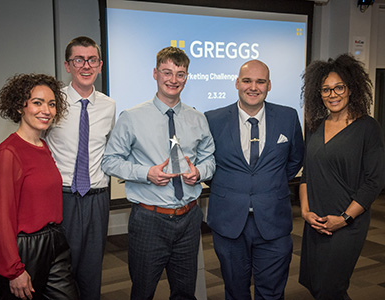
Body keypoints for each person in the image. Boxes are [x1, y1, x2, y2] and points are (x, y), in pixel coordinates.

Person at [101, 46, 215, 300]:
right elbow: (109, 161)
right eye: (167, 72)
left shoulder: (197, 118)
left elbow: (210, 159)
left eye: (180, 74)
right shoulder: (131, 117)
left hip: (189, 217)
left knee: (185, 292)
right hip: (149, 220)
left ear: (187, 77)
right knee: (143, 291)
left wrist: (200, 172)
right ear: (155, 73)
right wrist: (145, 173)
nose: (173, 80)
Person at [205, 60, 304, 300]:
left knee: (271, 292)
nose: (253, 87)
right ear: (237, 83)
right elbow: (207, 165)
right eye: (247, 81)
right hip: (229, 222)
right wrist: (233, 186)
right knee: (235, 291)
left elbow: (295, 160)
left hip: (274, 220)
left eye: (260, 81)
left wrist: (268, 184)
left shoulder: (288, 117)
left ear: (269, 85)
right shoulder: (212, 119)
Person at [298, 54, 385, 299]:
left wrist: (344, 218)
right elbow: (307, 174)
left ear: (351, 89)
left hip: (347, 224)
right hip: (315, 221)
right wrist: (305, 212)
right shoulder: (316, 126)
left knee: (331, 288)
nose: (332, 94)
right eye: (326, 89)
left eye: (339, 87)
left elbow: (373, 182)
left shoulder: (368, 128)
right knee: (316, 285)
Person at [0, 74, 79, 300]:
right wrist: (14, 269)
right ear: (20, 106)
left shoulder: (43, 146)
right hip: (24, 249)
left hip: (55, 241)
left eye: (51, 104)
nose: (46, 110)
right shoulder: (8, 152)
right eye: (37, 103)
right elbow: (2, 219)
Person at [45, 36, 116, 299]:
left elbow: (110, 149)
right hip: (62, 198)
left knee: (92, 271)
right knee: (61, 271)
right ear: (67, 65)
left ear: (100, 65)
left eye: (92, 60)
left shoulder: (109, 105)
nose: (86, 66)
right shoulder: (54, 103)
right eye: (79, 60)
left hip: (97, 199)